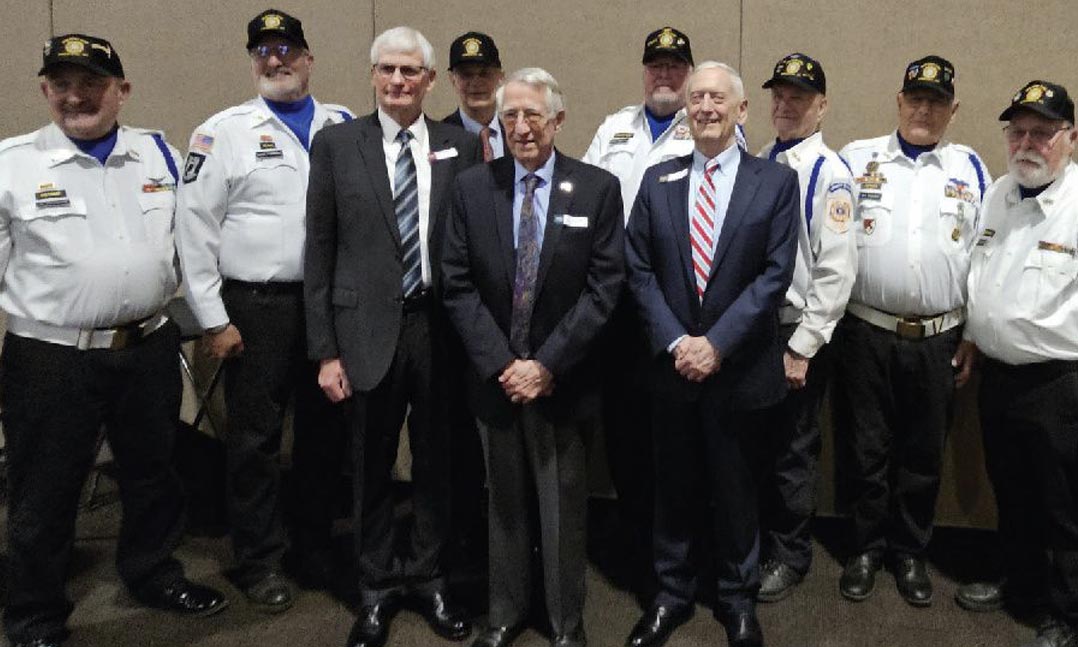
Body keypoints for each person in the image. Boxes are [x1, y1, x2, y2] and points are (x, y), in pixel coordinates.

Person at [0, 33, 228, 647]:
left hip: (148, 348)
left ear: (121, 91)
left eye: (92, 84)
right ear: (45, 90)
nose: (77, 96)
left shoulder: (157, 152)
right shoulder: (11, 163)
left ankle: (153, 573)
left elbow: (195, 239)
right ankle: (34, 614)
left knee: (154, 476)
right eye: (62, 84)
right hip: (50, 358)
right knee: (44, 490)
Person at [304, 25, 482, 647]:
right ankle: (376, 587)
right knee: (369, 465)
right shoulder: (335, 145)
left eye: (411, 71)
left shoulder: (461, 145)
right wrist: (324, 350)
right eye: (387, 70)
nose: (399, 81)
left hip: (438, 329)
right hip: (362, 332)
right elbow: (319, 248)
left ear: (432, 80)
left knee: (438, 462)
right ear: (373, 76)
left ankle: (431, 576)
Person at [175, 8, 353, 610]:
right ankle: (259, 560)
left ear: (308, 58)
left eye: (286, 50)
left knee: (325, 434)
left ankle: (314, 545)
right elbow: (193, 228)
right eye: (262, 53)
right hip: (257, 307)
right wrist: (212, 317)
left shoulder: (343, 123)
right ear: (253, 62)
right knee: (254, 440)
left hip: (328, 305)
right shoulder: (221, 132)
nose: (274, 61)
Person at [442, 67, 625, 647]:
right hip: (496, 379)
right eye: (510, 116)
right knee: (505, 505)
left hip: (562, 380)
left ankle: (566, 622)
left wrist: (545, 365)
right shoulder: (472, 187)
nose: (521, 128)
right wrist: (504, 364)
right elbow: (456, 282)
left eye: (533, 115)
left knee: (563, 508)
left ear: (558, 120)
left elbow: (604, 289)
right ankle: (505, 613)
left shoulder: (596, 188)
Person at [624, 61, 800, 647]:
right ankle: (671, 594)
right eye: (696, 97)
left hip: (739, 371)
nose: (704, 107)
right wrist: (679, 341)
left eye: (717, 98)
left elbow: (774, 278)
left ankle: (737, 599)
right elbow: (639, 270)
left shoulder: (774, 182)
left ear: (741, 110)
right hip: (672, 369)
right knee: (670, 488)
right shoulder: (658, 181)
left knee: (737, 490)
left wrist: (716, 344)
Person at [834, 55, 990, 607]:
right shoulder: (856, 159)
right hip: (865, 331)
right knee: (866, 447)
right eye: (915, 98)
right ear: (898, 101)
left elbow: (984, 255)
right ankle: (865, 548)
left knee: (923, 452)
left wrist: (974, 331)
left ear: (953, 109)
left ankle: (909, 552)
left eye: (937, 101)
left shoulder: (970, 168)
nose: (925, 109)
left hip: (940, 337)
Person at [961, 80, 1078, 647]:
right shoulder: (999, 193)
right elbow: (986, 279)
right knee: (1013, 490)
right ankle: (1021, 585)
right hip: (998, 376)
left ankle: (1068, 613)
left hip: (1060, 383)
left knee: (1065, 506)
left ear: (1070, 138)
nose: (1027, 143)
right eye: (1018, 131)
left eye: (1042, 133)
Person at [580, 27, 695, 596]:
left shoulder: (705, 128)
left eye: (676, 66)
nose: (665, 75)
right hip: (616, 301)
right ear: (643, 71)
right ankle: (633, 533)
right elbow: (586, 194)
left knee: (671, 429)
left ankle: (675, 545)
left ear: (690, 73)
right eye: (656, 66)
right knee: (622, 426)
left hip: (675, 308)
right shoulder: (614, 127)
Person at [755, 53, 857, 602]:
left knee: (794, 448)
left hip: (796, 334)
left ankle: (792, 555)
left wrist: (805, 345)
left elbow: (836, 269)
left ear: (821, 106)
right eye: (779, 95)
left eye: (799, 97)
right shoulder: (761, 158)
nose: (786, 105)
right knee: (758, 445)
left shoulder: (830, 174)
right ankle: (759, 542)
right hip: (755, 330)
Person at [443, 31, 506, 161]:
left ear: (501, 76)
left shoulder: (517, 133)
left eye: (485, 73)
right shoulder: (438, 138)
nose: (476, 83)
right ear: (452, 79)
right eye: (466, 74)